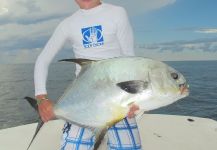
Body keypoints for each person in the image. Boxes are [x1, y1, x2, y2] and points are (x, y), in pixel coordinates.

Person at [34, 0, 142, 149]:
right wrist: (41, 98)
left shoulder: (117, 12)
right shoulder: (68, 24)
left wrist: (134, 98)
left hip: (118, 97)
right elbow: (42, 60)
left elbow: (129, 59)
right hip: (83, 98)